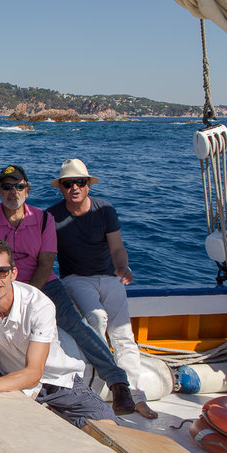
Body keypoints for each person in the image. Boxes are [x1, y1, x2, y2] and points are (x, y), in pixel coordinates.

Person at [0, 164, 136, 415]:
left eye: (19, 186)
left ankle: (118, 381)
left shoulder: (44, 219)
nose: (13, 192)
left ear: (28, 190)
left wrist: (23, 299)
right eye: (7, 187)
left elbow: (46, 262)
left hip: (44, 284)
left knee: (78, 326)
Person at [0, 239, 118, 430]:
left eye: (1, 271)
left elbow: (34, 374)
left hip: (57, 382)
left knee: (106, 426)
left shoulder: (39, 305)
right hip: (12, 382)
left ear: (13, 273)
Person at [46, 158, 157, 419]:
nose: (75, 187)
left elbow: (117, 248)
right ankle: (96, 391)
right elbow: (47, 256)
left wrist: (123, 267)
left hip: (109, 278)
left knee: (123, 335)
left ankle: (134, 395)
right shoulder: (52, 216)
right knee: (97, 319)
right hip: (75, 279)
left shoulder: (104, 210)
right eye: (68, 183)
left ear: (88, 185)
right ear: (61, 188)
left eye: (80, 182)